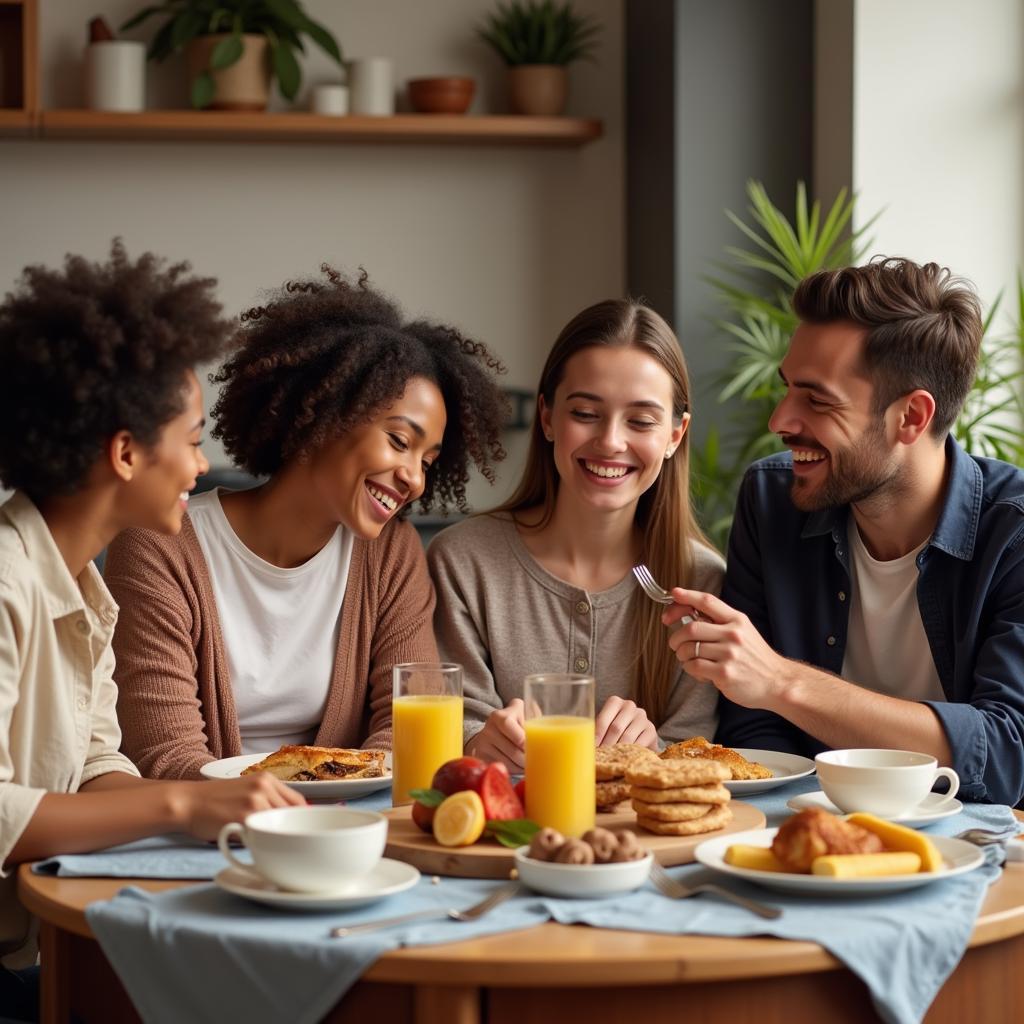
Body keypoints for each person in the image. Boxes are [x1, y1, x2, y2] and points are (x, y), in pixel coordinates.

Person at [0, 242, 303, 998]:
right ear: (127, 453)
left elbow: (96, 767)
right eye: (194, 441)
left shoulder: (83, 586)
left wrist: (211, 811)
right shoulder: (6, 577)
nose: (201, 468)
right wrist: (184, 800)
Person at [105, 267, 507, 780]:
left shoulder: (391, 554)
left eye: (428, 462)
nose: (415, 479)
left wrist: (324, 799)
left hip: (348, 824)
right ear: (325, 416)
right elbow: (164, 756)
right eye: (400, 442)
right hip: (205, 837)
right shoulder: (159, 546)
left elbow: (412, 727)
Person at [664, 257, 1024, 805]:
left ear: (911, 417)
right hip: (808, 833)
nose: (780, 420)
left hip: (979, 850)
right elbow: (753, 731)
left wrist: (786, 682)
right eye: (788, 389)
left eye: (817, 399)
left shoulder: (1013, 532)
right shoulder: (772, 501)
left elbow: (1006, 753)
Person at [428, 299, 724, 770]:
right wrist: (478, 741)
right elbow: (454, 722)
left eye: (641, 421)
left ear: (675, 435)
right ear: (547, 417)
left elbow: (694, 746)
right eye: (585, 413)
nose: (610, 441)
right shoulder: (462, 561)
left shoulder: (701, 583)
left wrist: (654, 752)